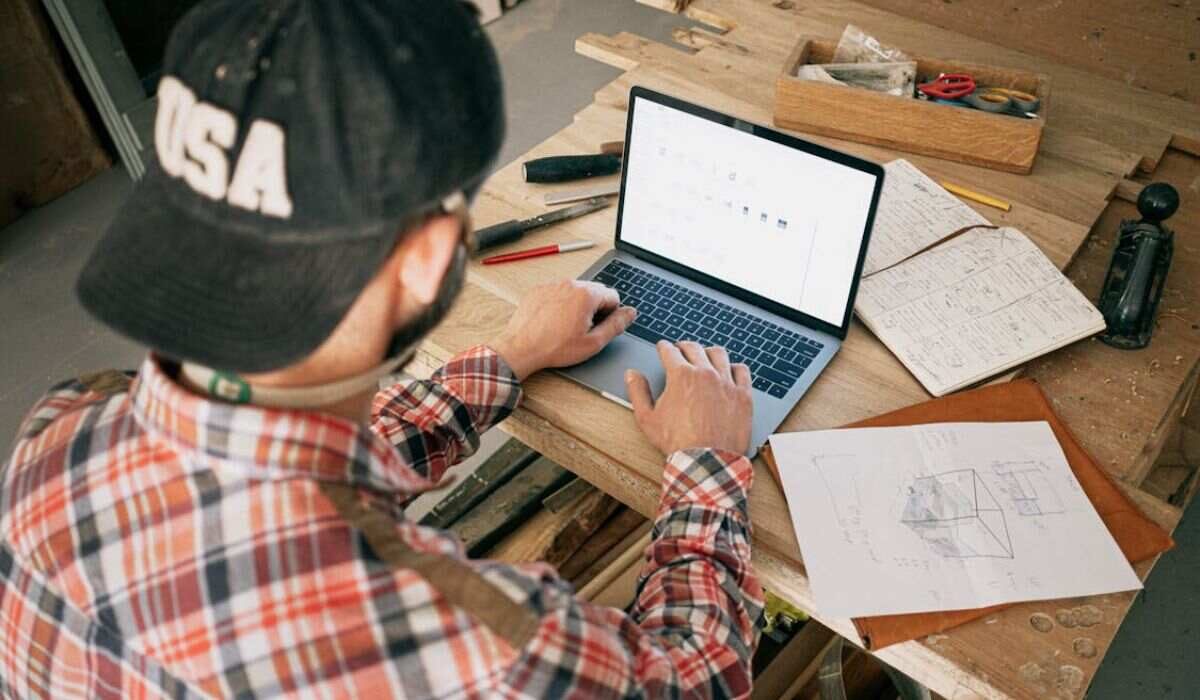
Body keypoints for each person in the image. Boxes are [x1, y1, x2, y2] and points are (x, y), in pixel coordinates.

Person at [0, 1, 762, 697]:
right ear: (432, 258)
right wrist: (705, 468)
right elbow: (697, 678)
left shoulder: (58, 432)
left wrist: (508, 358)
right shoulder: (469, 647)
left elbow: (273, 461)